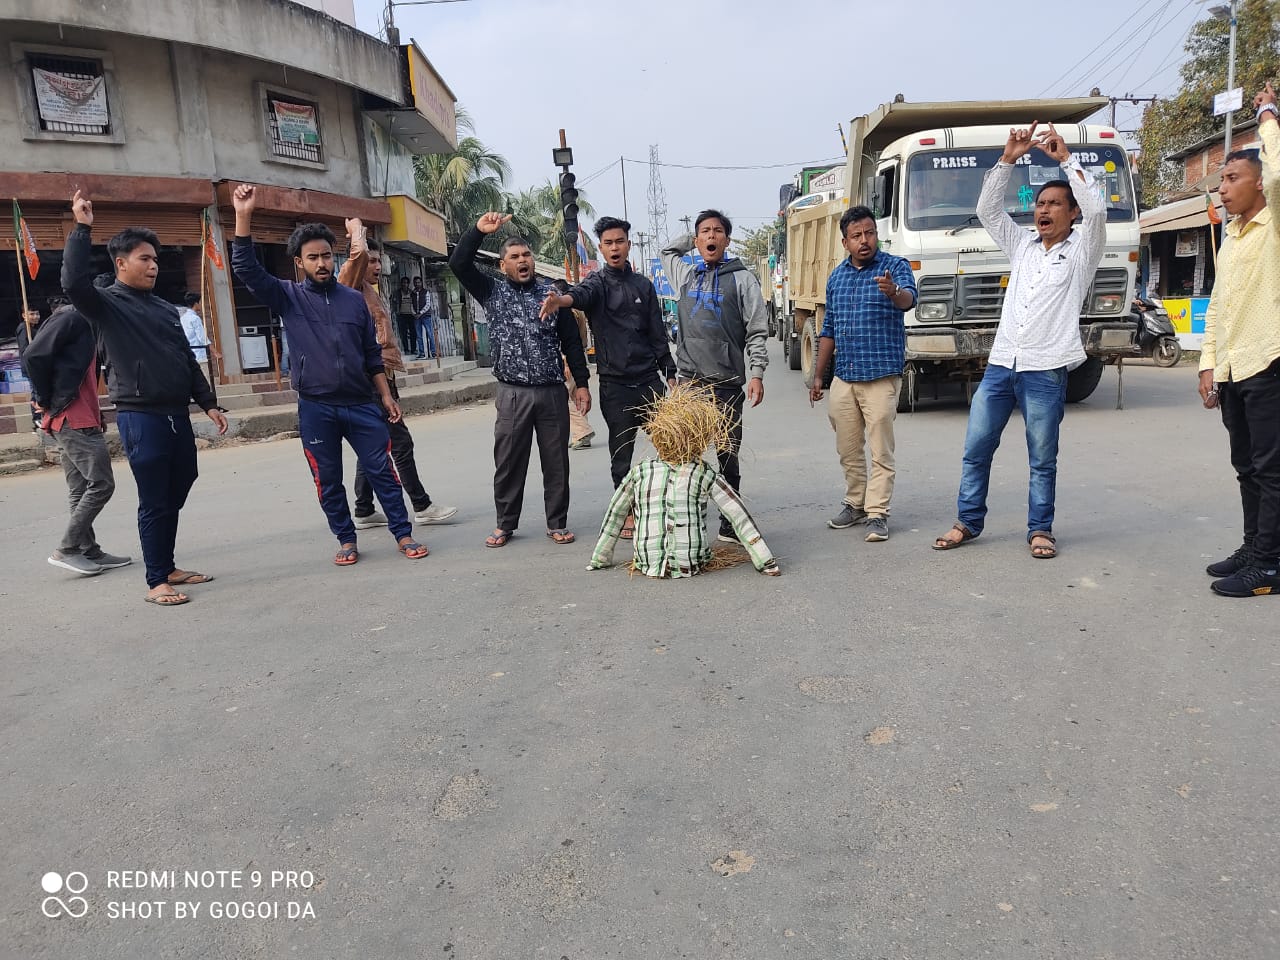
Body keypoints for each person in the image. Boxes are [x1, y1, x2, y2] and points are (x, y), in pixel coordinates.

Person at [229, 184, 428, 565]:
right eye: (312, 258)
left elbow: (372, 353)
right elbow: (245, 268)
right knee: (328, 480)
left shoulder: (354, 300)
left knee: (383, 472)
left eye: (325, 256)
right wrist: (243, 215)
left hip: (362, 403)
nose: (321, 263)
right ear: (299, 263)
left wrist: (385, 395)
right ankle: (346, 538)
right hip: (316, 407)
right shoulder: (288, 296)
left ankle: (403, 534)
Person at [932, 122, 1104, 559]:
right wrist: (1008, 159)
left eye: (1054, 204)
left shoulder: (1083, 252)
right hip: (1001, 364)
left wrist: (1065, 159)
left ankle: (1040, 530)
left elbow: (1099, 211)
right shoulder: (1023, 245)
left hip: (1045, 370)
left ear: (1071, 213)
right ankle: (967, 522)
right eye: (1040, 204)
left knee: (1042, 458)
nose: (1044, 211)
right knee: (976, 450)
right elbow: (989, 211)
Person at [62, 190, 228, 606]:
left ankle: (167, 564)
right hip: (141, 415)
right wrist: (82, 228)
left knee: (181, 482)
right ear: (121, 264)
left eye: (155, 259)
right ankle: (157, 580)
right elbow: (73, 283)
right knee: (154, 497)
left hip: (176, 414)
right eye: (144, 259)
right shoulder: (105, 305)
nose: (153, 265)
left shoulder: (164, 309)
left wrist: (207, 401)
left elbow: (186, 360)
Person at [448, 212, 591, 547]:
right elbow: (459, 264)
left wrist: (581, 383)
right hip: (513, 394)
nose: (522, 260)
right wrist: (477, 232)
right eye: (514, 257)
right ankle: (505, 524)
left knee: (556, 461)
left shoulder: (552, 294)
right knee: (509, 461)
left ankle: (557, 522)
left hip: (552, 391)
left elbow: (571, 341)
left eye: (526, 255)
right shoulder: (491, 291)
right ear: (503, 266)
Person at [542, 216, 675, 539]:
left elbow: (658, 334)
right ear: (600, 249)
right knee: (621, 455)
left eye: (619, 241)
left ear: (628, 245)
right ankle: (626, 512)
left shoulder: (644, 285)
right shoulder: (597, 285)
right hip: (615, 386)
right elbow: (578, 296)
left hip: (650, 383)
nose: (615, 248)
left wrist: (670, 373)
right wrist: (560, 301)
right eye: (608, 243)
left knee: (671, 446)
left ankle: (671, 504)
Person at [1197, 82, 1280, 598]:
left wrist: (1268, 116)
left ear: (1260, 184)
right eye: (1221, 179)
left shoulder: (1275, 225)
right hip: (1234, 367)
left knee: (1273, 470)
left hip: (1270, 361)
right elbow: (1219, 307)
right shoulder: (1231, 235)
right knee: (1246, 466)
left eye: (1232, 178)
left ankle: (1270, 565)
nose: (1223, 188)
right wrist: (1209, 364)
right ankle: (1254, 548)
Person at [588, 384, 779, 578]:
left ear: (657, 437)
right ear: (700, 439)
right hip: (691, 563)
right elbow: (738, 514)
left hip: (648, 564)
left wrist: (599, 559)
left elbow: (615, 514)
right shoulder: (703, 472)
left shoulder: (641, 471)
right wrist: (766, 562)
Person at [338, 223, 457, 529]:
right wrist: (356, 233)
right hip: (370, 379)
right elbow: (358, 255)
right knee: (400, 443)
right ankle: (421, 504)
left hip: (383, 376)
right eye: (372, 261)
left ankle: (363, 509)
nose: (377, 266)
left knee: (374, 445)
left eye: (379, 261)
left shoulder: (370, 293)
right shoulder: (349, 288)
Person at [809, 205, 917, 542]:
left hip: (881, 376)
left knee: (880, 449)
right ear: (845, 242)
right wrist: (817, 376)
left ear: (876, 235)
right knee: (847, 447)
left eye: (869, 233)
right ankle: (855, 503)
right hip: (844, 377)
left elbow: (909, 300)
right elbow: (829, 330)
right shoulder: (837, 277)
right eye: (856, 236)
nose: (864, 240)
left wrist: (893, 292)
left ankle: (877, 513)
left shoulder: (894, 267)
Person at [661, 210, 769, 543]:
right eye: (705, 232)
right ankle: (687, 523)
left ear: (727, 239)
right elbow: (667, 251)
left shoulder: (743, 278)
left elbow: (756, 330)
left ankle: (728, 522)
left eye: (718, 231)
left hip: (726, 385)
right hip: (690, 385)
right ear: (697, 240)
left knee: (727, 456)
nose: (711, 237)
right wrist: (689, 241)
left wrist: (757, 373)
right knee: (685, 456)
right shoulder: (685, 275)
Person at [23, 294, 132, 577]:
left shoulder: (90, 323)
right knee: (102, 484)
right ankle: (67, 548)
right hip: (71, 417)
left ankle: (87, 550)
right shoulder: (71, 317)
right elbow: (33, 356)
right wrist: (44, 398)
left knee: (80, 488)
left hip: (79, 416)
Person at [178, 293, 221, 367]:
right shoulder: (195, 319)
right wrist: (215, 352)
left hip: (189, 354)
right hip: (199, 355)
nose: (201, 304)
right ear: (196, 304)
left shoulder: (183, 318)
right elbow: (202, 338)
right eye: (200, 302)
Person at [411, 276, 435, 360]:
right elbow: (411, 304)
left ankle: (434, 352)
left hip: (425, 315)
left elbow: (428, 304)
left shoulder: (426, 292)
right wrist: (414, 313)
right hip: (416, 316)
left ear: (421, 283)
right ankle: (421, 353)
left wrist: (420, 313)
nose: (417, 284)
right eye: (415, 282)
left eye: (418, 282)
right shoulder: (413, 293)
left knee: (430, 333)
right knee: (418, 335)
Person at [396, 276, 417, 355]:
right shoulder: (398, 293)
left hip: (411, 315)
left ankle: (413, 349)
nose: (404, 284)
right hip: (402, 315)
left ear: (408, 284)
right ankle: (406, 349)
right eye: (403, 283)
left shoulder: (412, 292)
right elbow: (395, 302)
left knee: (413, 333)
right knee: (403, 333)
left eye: (406, 283)